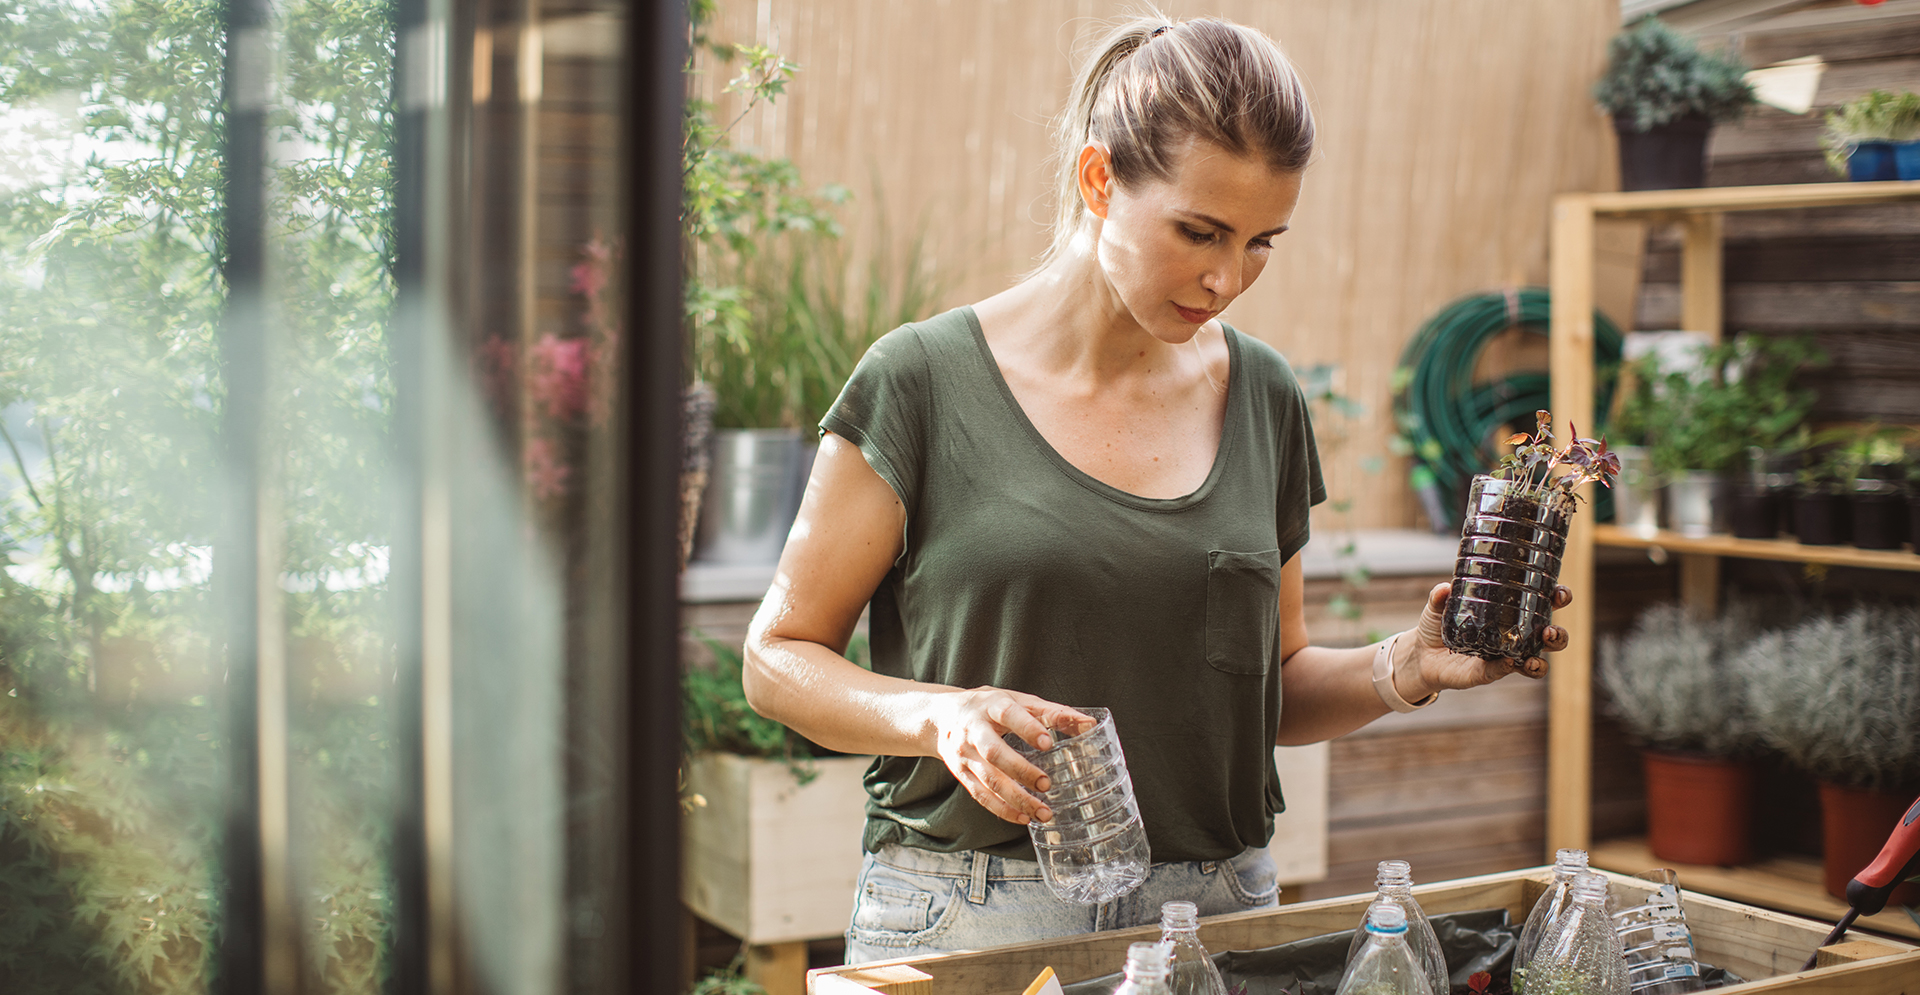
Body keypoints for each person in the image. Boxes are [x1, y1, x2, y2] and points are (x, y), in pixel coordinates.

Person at [740, 11, 1573, 963]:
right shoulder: (922, 380)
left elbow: (1277, 684)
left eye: (1263, 241)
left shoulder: (1262, 394)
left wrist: (1409, 666)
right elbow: (776, 657)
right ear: (1100, 181)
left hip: (1218, 918)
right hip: (977, 915)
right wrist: (937, 715)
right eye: (1199, 230)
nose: (1227, 277)